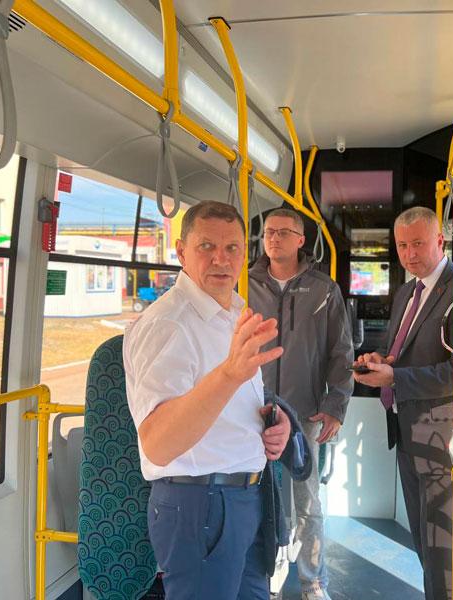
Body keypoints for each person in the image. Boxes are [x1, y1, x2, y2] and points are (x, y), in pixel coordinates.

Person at [123, 200, 292, 600]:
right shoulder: (168, 325)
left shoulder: (233, 312)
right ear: (181, 252)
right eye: (206, 247)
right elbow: (158, 443)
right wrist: (229, 374)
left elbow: (231, 402)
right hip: (199, 504)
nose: (221, 258)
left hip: (245, 498)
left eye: (232, 247)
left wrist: (275, 422)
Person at [353, 206, 453, 600]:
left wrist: (396, 378)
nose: (409, 254)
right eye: (402, 245)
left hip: (443, 436)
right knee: (425, 546)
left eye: (419, 244)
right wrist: (380, 361)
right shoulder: (406, 292)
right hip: (407, 432)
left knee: (443, 552)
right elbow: (401, 353)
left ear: (440, 241)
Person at [249, 208, 354, 600]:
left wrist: (335, 405)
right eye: (268, 232)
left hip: (303, 411)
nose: (274, 238)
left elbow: (340, 352)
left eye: (283, 232)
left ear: (300, 240)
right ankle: (264, 577)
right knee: (254, 497)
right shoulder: (245, 283)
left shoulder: (323, 290)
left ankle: (313, 581)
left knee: (306, 502)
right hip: (250, 410)